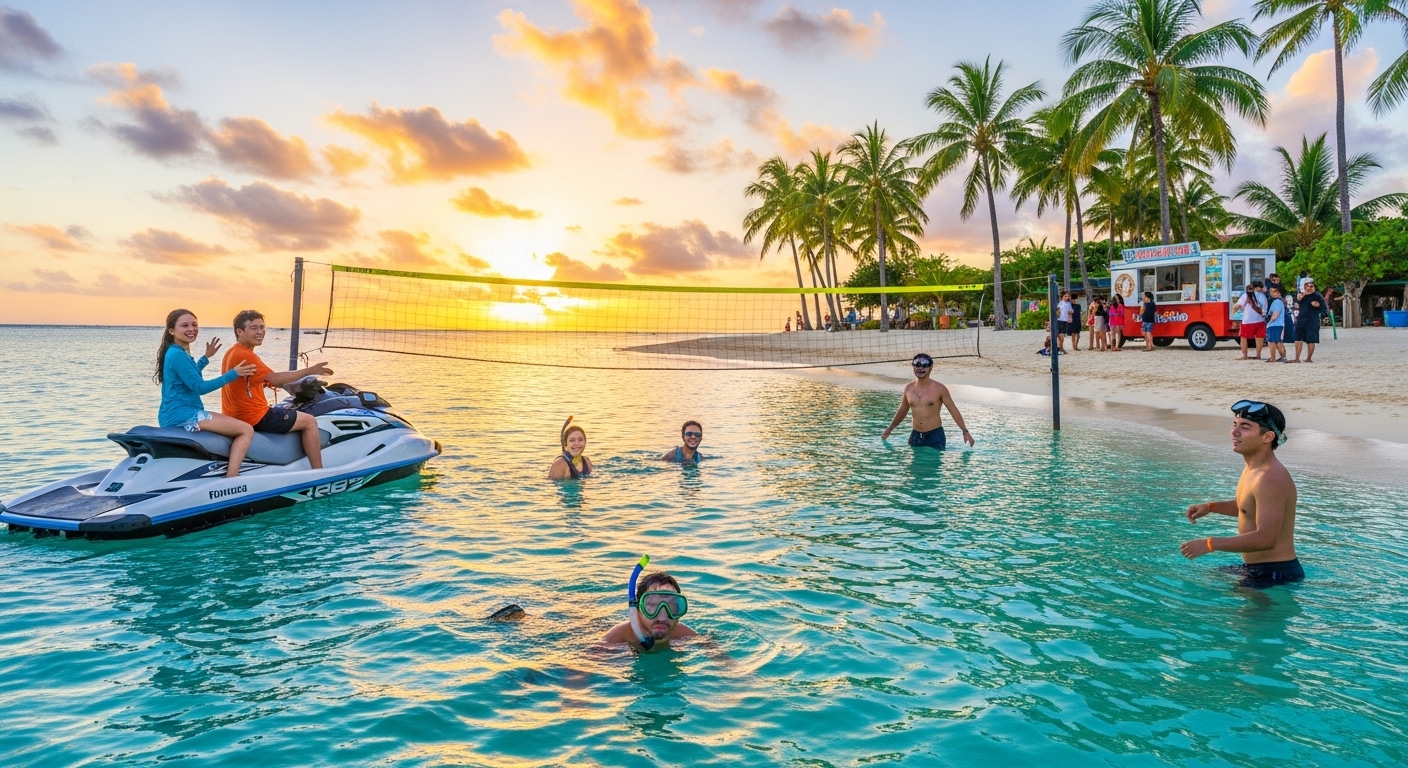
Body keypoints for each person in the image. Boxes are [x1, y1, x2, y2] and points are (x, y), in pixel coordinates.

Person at [1180, 400, 1303, 589]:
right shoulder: (1254, 468)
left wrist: (1209, 544)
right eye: (1235, 424)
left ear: (1268, 437)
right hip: (1258, 569)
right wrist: (1211, 507)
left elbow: (1266, 538)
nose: (1234, 432)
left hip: (1275, 574)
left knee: (1240, 617)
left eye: (1245, 427)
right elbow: (1246, 507)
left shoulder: (1270, 478)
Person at [220, 310, 335, 469]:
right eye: (253, 328)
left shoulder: (232, 352)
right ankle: (318, 471)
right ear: (239, 331)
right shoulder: (246, 355)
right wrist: (310, 370)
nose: (260, 332)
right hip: (254, 416)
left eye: (262, 327)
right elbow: (275, 378)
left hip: (234, 414)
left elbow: (252, 380)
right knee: (309, 421)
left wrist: (269, 383)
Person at [154, 308, 258, 479]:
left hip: (173, 413)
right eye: (185, 325)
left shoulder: (176, 351)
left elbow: (189, 377)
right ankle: (232, 477)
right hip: (185, 415)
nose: (191, 329)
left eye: (194, 325)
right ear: (172, 330)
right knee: (245, 430)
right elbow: (200, 387)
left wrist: (205, 358)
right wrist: (234, 373)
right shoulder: (177, 354)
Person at [881, 353, 975, 450]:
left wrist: (965, 431)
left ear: (931, 368)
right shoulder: (908, 388)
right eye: (917, 365)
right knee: (915, 465)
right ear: (913, 367)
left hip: (935, 435)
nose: (920, 368)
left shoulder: (940, 389)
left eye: (925, 365)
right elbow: (902, 411)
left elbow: (953, 410)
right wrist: (890, 429)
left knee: (934, 464)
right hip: (915, 435)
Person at [603, 569, 698, 649]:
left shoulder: (683, 634)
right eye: (652, 606)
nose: (662, 618)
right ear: (637, 608)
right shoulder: (618, 637)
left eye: (671, 606)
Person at [1292, 280, 1325, 363]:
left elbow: (1324, 309)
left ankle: (1309, 358)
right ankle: (1297, 358)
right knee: (1298, 339)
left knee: (1311, 340)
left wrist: (1318, 305)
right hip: (1301, 319)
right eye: (1307, 286)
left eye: (1311, 286)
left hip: (1313, 320)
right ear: (1304, 287)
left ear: (1314, 287)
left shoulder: (1318, 296)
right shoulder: (1301, 295)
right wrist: (1299, 299)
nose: (1309, 288)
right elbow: (1295, 305)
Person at [1237, 282, 1267, 360]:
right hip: (1260, 320)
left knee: (1243, 337)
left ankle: (1245, 355)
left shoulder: (1246, 295)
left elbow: (1237, 306)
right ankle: (1258, 355)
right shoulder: (1263, 296)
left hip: (1247, 320)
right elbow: (1265, 309)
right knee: (1259, 337)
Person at [1264, 285, 1289, 363]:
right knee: (1278, 341)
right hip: (1279, 324)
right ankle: (1283, 357)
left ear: (1279, 293)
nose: (1271, 293)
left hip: (1274, 324)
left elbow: (1275, 314)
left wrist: (1268, 322)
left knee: (1272, 341)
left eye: (1274, 291)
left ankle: (1273, 358)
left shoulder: (1277, 302)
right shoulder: (1279, 301)